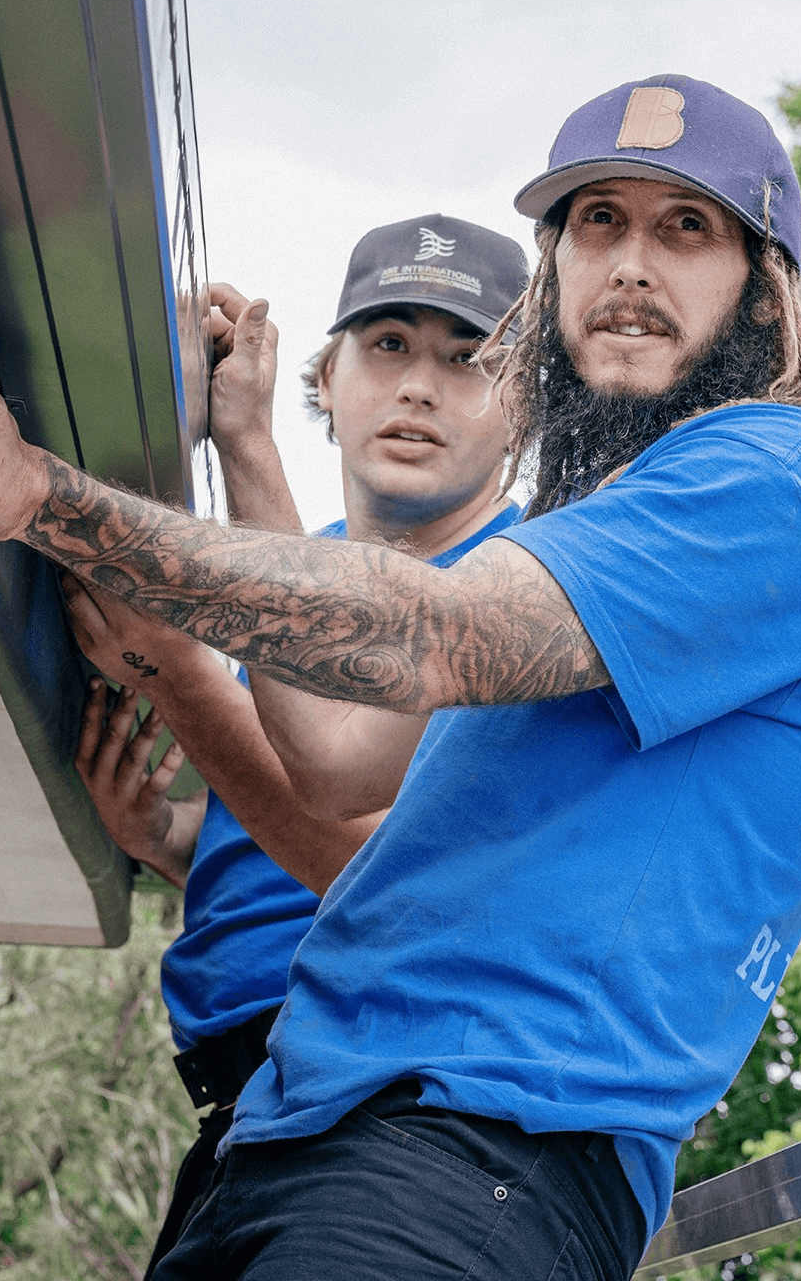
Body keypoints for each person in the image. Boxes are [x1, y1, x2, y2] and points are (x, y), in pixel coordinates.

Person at [0, 75, 801, 1281]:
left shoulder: (771, 479)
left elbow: (425, 639)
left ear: (765, 294)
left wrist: (48, 500)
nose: (629, 263)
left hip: (478, 1152)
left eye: (687, 228)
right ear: (554, 272)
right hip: (304, 1135)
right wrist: (242, 445)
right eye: (597, 223)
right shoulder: (599, 541)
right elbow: (337, 758)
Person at [67, 214, 530, 1273]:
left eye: (468, 360)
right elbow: (282, 814)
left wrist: (180, 678)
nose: (421, 384)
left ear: (524, 403)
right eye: (389, 345)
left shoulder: (518, 596)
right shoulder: (295, 568)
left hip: (389, 1110)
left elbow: (373, 864)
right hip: (243, 1111)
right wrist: (177, 839)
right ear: (325, 373)